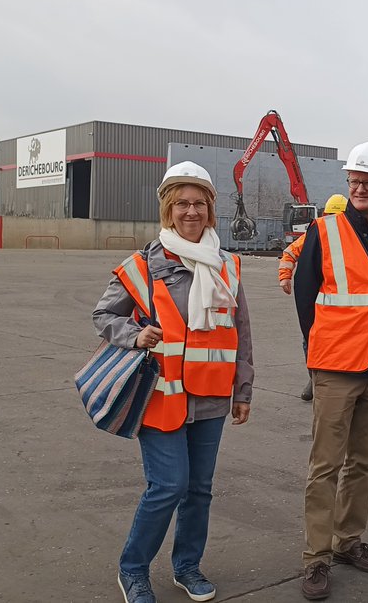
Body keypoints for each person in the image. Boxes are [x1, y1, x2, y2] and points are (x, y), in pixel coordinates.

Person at [93, 161, 253, 603]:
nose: (191, 211)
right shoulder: (143, 265)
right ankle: (133, 569)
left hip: (213, 397)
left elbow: (241, 333)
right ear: (167, 208)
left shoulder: (228, 266)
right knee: (168, 486)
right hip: (161, 397)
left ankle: (187, 566)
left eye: (199, 203)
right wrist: (134, 334)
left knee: (199, 489)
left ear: (210, 210)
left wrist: (243, 391)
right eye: (181, 202)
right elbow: (103, 316)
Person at [293, 142, 368, 600]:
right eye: (353, 181)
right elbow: (305, 296)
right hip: (337, 366)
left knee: (362, 462)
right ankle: (316, 558)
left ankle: (348, 542)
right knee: (325, 465)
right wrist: (316, 354)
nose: (359, 188)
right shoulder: (322, 231)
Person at [277, 193, 348, 403]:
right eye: (330, 215)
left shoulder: (355, 237)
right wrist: (285, 277)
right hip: (318, 304)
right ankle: (315, 379)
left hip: (342, 309)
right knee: (310, 342)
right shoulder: (316, 233)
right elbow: (290, 253)